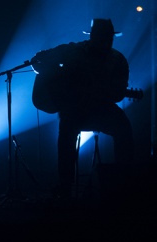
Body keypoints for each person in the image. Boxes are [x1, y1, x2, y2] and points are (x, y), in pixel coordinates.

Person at [31, 19, 134, 200]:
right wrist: (47, 75)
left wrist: (107, 93)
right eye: (103, 37)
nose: (106, 41)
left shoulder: (117, 60)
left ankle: (124, 182)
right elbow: (39, 58)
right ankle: (65, 186)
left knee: (123, 128)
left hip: (101, 109)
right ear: (93, 36)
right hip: (75, 109)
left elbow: (117, 94)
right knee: (67, 130)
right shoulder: (73, 51)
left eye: (108, 38)